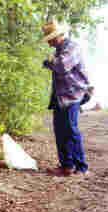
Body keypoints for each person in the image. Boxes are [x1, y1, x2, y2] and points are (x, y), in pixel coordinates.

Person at [41, 20, 91, 176]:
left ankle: (81, 167)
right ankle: (67, 166)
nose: (48, 42)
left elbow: (61, 66)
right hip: (60, 96)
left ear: (58, 36)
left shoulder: (72, 48)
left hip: (72, 95)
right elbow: (57, 65)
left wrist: (49, 62)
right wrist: (51, 62)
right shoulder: (59, 50)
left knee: (70, 130)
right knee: (60, 131)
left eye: (50, 38)